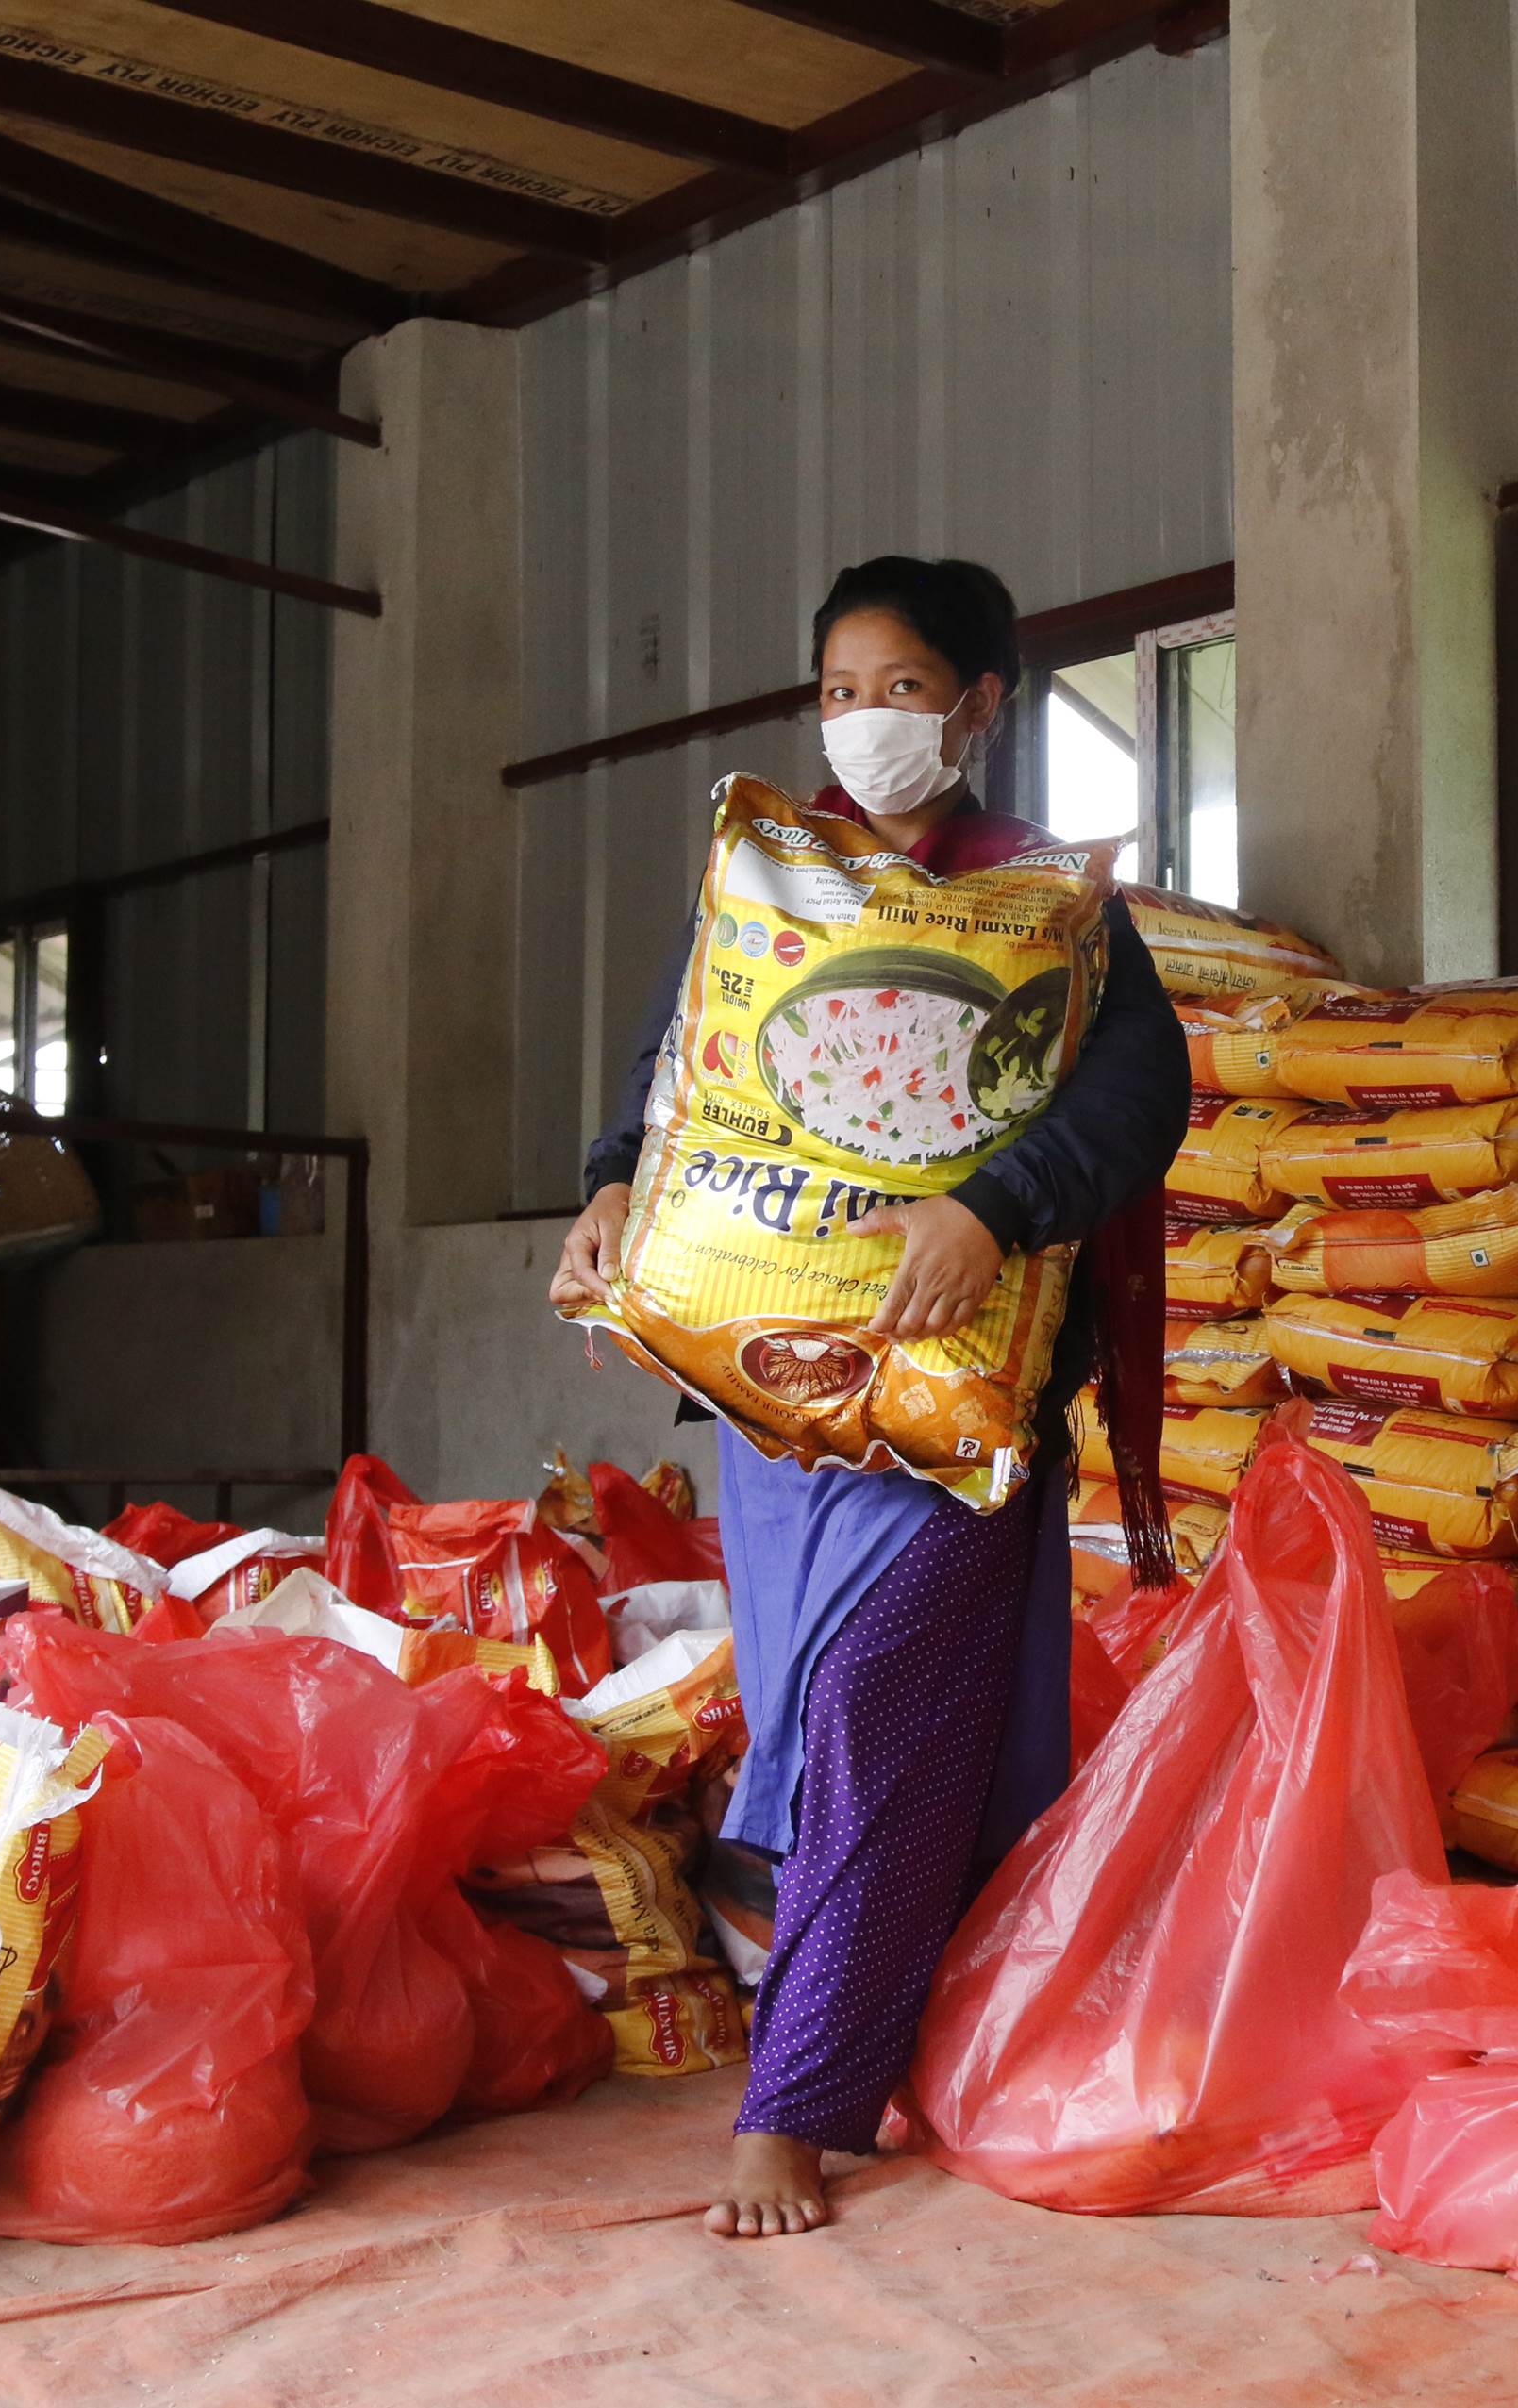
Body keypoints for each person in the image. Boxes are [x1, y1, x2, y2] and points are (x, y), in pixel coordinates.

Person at [548, 556, 1191, 2240]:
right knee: (839, 1730)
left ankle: (797, 2103)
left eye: (902, 689)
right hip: (775, 1401)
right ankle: (928, 2042)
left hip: (958, 1408)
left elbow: (1144, 1102)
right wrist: (615, 1187)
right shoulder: (775, 882)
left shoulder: (1048, 905)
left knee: (874, 1726)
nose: (865, 724)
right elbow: (680, 1059)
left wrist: (991, 1207)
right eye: (838, 691)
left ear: (982, 704)